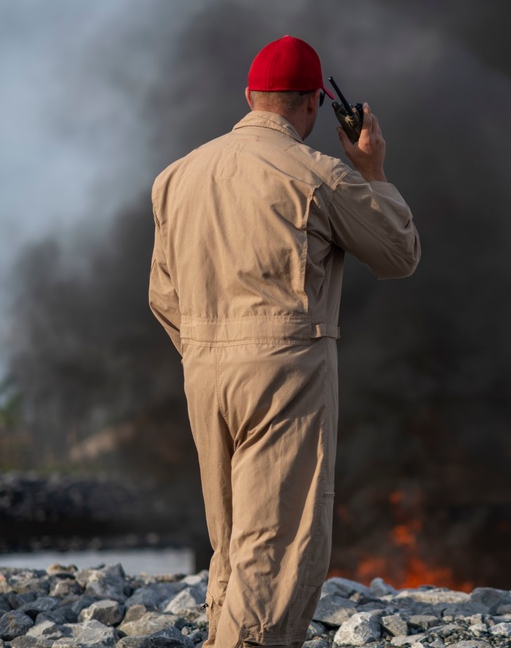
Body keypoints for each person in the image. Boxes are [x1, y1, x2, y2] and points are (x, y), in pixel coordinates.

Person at [148, 34, 421, 648]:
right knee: (274, 551)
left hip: (204, 374)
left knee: (234, 544)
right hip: (286, 374)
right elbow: (398, 254)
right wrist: (372, 170)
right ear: (313, 106)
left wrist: (208, 352)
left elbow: (162, 296)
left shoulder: (175, 177)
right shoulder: (319, 174)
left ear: (249, 97)